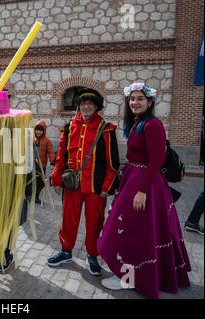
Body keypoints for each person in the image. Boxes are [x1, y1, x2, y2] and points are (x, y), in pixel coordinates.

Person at [98, 82, 191, 299]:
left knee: (132, 233)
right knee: (130, 231)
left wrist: (142, 191)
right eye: (132, 99)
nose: (135, 102)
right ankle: (129, 274)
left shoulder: (153, 125)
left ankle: (127, 279)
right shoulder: (138, 123)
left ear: (149, 102)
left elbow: (156, 160)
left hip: (145, 186)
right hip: (134, 180)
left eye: (140, 98)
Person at [48, 88, 120, 276]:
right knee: (68, 219)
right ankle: (66, 251)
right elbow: (61, 157)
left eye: (90, 104)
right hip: (72, 184)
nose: (86, 107)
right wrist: (56, 179)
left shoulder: (106, 129)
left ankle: (92, 255)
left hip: (95, 187)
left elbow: (113, 163)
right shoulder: (69, 126)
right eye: (83, 104)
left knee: (95, 222)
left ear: (96, 107)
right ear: (78, 106)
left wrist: (107, 187)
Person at [33, 120, 56, 204]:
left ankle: (36, 195)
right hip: (32, 165)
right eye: (37, 129)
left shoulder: (47, 141)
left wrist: (52, 162)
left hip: (42, 165)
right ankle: (30, 195)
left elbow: (51, 152)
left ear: (44, 131)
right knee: (32, 181)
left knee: (42, 182)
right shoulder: (32, 139)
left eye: (41, 130)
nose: (38, 132)